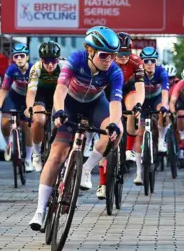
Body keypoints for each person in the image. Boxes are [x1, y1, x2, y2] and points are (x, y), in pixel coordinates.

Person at [29, 26, 123, 230]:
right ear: (90, 51)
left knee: (116, 132)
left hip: (96, 105)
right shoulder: (76, 59)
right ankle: (40, 210)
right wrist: (59, 111)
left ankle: (87, 169)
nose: (109, 60)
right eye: (104, 55)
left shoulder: (115, 71)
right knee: (57, 154)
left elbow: (115, 102)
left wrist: (114, 123)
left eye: (113, 56)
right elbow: (61, 88)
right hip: (69, 104)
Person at [0, 44, 34, 171]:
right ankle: (9, 143)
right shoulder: (11, 70)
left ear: (27, 57)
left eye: (22, 56)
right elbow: (4, 89)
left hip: (30, 96)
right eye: (16, 56)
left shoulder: (33, 69)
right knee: (4, 123)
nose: (19, 59)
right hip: (15, 95)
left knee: (28, 127)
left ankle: (28, 159)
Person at [133, 47, 169, 185]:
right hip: (141, 100)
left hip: (156, 100)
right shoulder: (138, 71)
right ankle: (138, 172)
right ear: (142, 62)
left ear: (156, 61)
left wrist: (164, 106)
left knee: (163, 110)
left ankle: (161, 140)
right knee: (140, 134)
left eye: (152, 60)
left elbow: (165, 92)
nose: (149, 63)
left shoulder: (161, 72)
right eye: (146, 61)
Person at [25, 41, 62, 172]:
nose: (51, 65)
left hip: (58, 94)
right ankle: (36, 154)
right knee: (38, 120)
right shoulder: (36, 67)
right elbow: (31, 91)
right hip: (41, 95)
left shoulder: (64, 67)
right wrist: (29, 107)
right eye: (47, 61)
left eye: (54, 61)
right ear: (41, 60)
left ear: (58, 59)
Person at [114, 32, 145, 163]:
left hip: (127, 88)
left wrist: (139, 105)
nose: (123, 57)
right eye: (120, 53)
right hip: (110, 88)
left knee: (133, 110)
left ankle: (128, 149)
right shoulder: (107, 61)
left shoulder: (136, 61)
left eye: (127, 53)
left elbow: (140, 89)